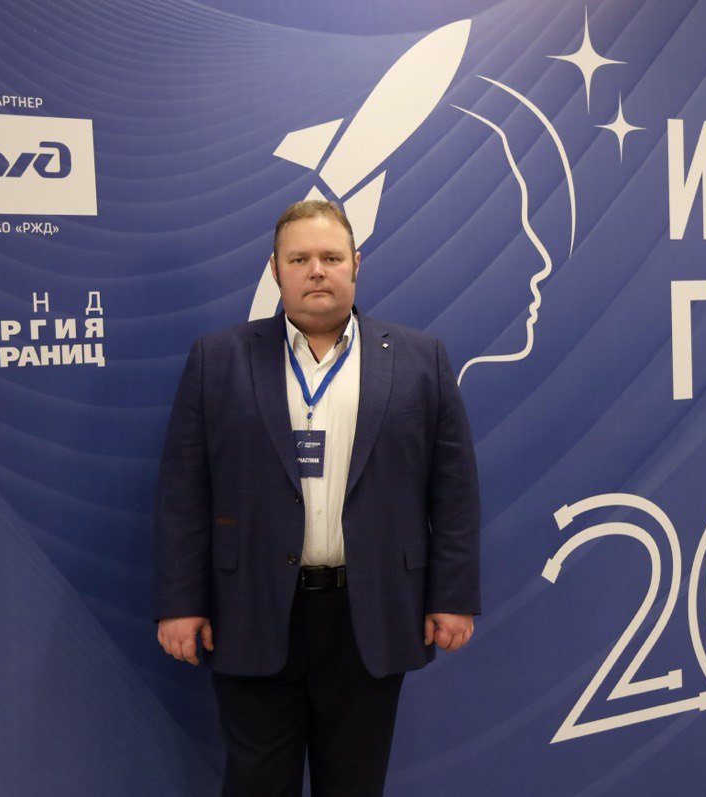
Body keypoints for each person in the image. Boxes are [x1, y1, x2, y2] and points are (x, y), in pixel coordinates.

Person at [153, 199, 480, 796]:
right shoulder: (218, 359)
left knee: (354, 784)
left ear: (356, 264)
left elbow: (453, 491)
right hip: (251, 608)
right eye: (299, 259)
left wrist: (452, 596)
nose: (316, 271)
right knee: (257, 784)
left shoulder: (420, 358)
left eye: (331, 257)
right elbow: (183, 493)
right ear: (275, 270)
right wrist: (180, 602)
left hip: (370, 611)